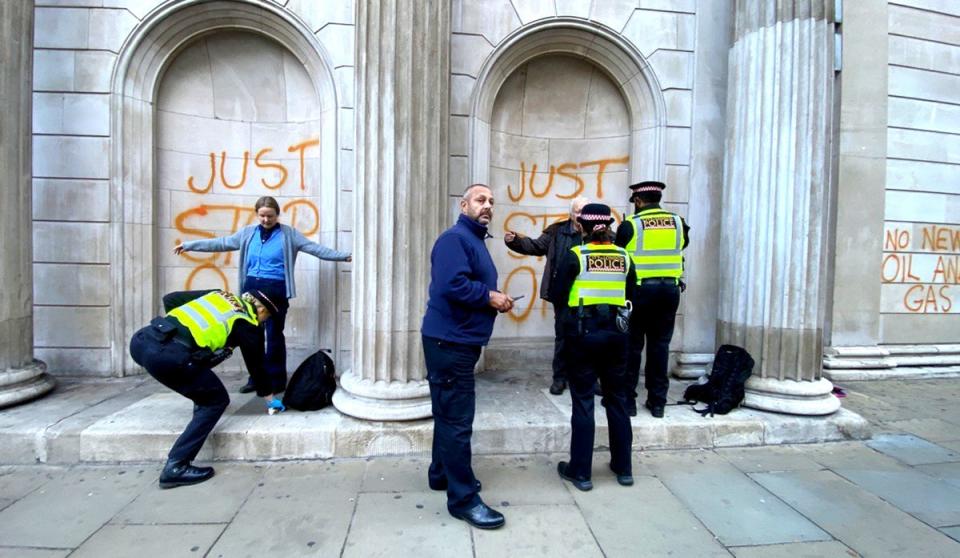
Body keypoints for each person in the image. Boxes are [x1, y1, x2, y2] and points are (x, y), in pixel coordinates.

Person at [174, 196, 351, 397]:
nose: (266, 220)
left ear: (277, 214)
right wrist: (190, 245)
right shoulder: (248, 233)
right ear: (257, 214)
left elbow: (315, 249)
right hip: (250, 290)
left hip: (275, 290)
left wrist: (345, 256)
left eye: (270, 216)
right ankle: (256, 380)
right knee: (252, 338)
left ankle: (277, 380)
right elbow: (221, 243)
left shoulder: (289, 234)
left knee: (274, 335)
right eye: (262, 215)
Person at [421, 183, 514, 529]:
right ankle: (463, 500)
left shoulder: (472, 239)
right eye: (480, 199)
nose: (488, 205)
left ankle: (440, 474)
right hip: (450, 343)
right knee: (457, 420)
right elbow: (452, 285)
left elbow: (466, 283)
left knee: (448, 413)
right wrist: (490, 297)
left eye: (491, 201)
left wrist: (494, 295)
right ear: (463, 205)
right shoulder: (454, 239)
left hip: (457, 340)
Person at [129, 288, 283, 489]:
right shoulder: (248, 323)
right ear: (261, 310)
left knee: (199, 378)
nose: (264, 322)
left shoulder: (219, 295)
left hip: (142, 341)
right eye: (267, 317)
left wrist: (179, 333)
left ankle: (198, 407)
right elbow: (257, 365)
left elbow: (171, 298)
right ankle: (176, 466)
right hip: (168, 357)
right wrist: (270, 399)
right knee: (215, 401)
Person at [552, 203, 635, 491]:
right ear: (609, 225)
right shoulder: (625, 256)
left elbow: (557, 294)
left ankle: (581, 472)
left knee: (584, 401)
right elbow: (631, 294)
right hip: (617, 336)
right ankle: (623, 468)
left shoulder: (576, 255)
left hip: (583, 336)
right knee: (617, 399)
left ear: (582, 226)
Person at [615, 181, 689, 418]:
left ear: (638, 201)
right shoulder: (678, 222)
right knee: (660, 347)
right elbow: (683, 245)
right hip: (670, 291)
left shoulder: (631, 224)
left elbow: (619, 255)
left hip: (640, 293)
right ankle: (658, 403)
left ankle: (628, 402)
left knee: (633, 346)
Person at [504, 196, 588, 395]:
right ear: (571, 213)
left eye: (584, 211)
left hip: (590, 296)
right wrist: (515, 241)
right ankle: (559, 378)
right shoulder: (557, 231)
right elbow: (535, 246)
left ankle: (588, 379)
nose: (580, 216)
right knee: (563, 338)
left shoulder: (598, 233)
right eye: (577, 211)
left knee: (588, 338)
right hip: (564, 296)